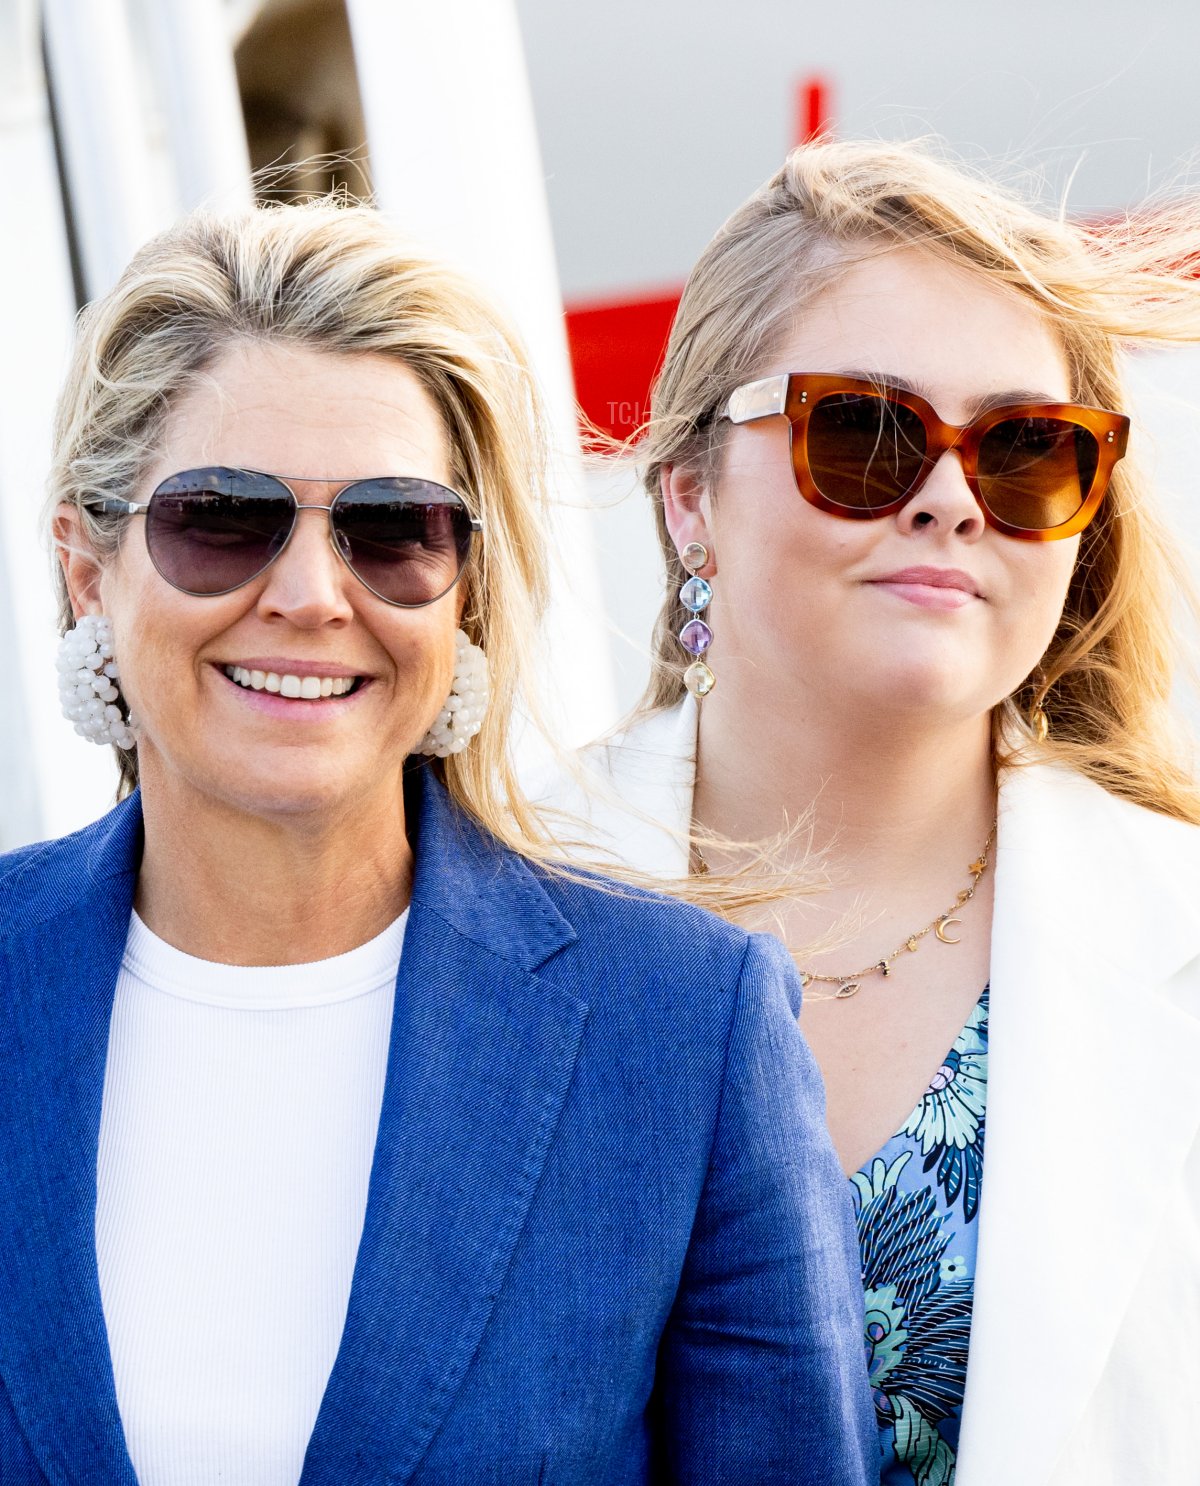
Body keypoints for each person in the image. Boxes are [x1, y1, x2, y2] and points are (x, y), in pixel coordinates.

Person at [0, 200, 876, 1485]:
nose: (309, 595)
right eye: (223, 518)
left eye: (393, 528)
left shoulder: (685, 1033)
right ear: (91, 570)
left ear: (462, 588)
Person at [547, 141, 1200, 1485]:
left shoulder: (1175, 932)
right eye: (863, 430)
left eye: (1028, 451)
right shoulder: (473, 903)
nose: (951, 496)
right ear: (688, 501)